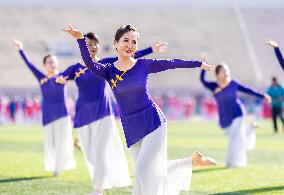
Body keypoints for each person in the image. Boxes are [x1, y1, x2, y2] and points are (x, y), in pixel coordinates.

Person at [64, 23, 217, 195]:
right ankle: (190, 162)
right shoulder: (108, 71)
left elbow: (171, 63)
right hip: (131, 127)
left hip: (153, 123)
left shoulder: (143, 64)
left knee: (142, 172)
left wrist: (197, 63)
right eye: (126, 40)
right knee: (150, 172)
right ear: (115, 43)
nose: (130, 45)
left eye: (134, 42)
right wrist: (80, 39)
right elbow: (89, 63)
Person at [56, 31, 167, 195]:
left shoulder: (106, 64)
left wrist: (150, 49)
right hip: (84, 114)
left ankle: (98, 189)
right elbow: (59, 77)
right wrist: (58, 79)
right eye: (89, 44)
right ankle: (101, 178)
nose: (92, 47)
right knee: (91, 157)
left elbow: (129, 57)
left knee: (100, 152)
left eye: (95, 43)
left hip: (103, 113)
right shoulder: (75, 68)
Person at [13, 40, 76, 177]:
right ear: (44, 65)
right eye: (49, 62)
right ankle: (54, 165)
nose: (52, 64)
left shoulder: (62, 76)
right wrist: (21, 50)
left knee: (61, 143)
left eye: (54, 62)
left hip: (62, 114)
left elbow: (75, 74)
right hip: (48, 115)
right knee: (51, 144)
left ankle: (57, 169)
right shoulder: (41, 77)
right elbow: (30, 66)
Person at [200, 63, 270, 167]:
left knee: (234, 138)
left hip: (238, 114)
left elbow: (248, 89)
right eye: (224, 71)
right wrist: (203, 68)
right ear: (218, 74)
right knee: (237, 138)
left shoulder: (233, 83)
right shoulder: (214, 86)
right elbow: (202, 80)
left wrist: (262, 95)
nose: (226, 73)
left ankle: (230, 162)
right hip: (225, 117)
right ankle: (250, 128)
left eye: (227, 70)